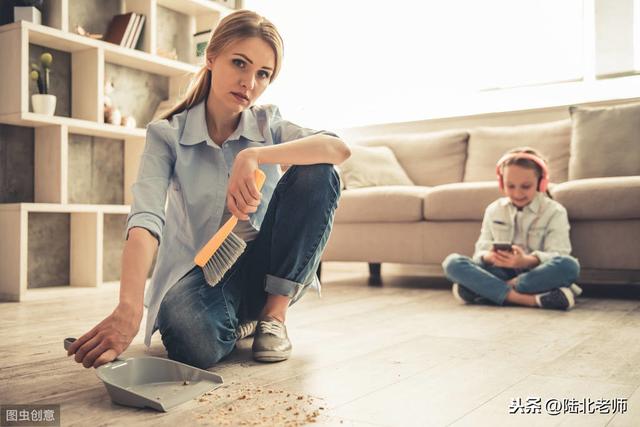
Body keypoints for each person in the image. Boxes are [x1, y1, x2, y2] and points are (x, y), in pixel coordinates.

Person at [67, 10, 350, 369]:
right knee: (189, 335)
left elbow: (338, 149)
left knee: (321, 172)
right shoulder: (166, 134)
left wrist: (254, 154)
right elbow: (146, 220)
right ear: (211, 57)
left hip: (267, 267)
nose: (249, 82)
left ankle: (273, 316)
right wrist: (128, 307)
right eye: (239, 64)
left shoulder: (268, 123)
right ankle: (239, 320)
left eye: (263, 74)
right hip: (201, 277)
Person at [442, 147, 581, 310]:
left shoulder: (555, 211)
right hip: (500, 271)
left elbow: (560, 254)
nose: (517, 193)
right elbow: (480, 252)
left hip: (536, 274)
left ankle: (483, 290)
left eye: (526, 186)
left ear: (541, 183)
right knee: (452, 263)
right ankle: (531, 300)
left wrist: (527, 261)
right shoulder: (493, 210)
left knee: (570, 266)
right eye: (510, 186)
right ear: (501, 183)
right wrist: (489, 257)